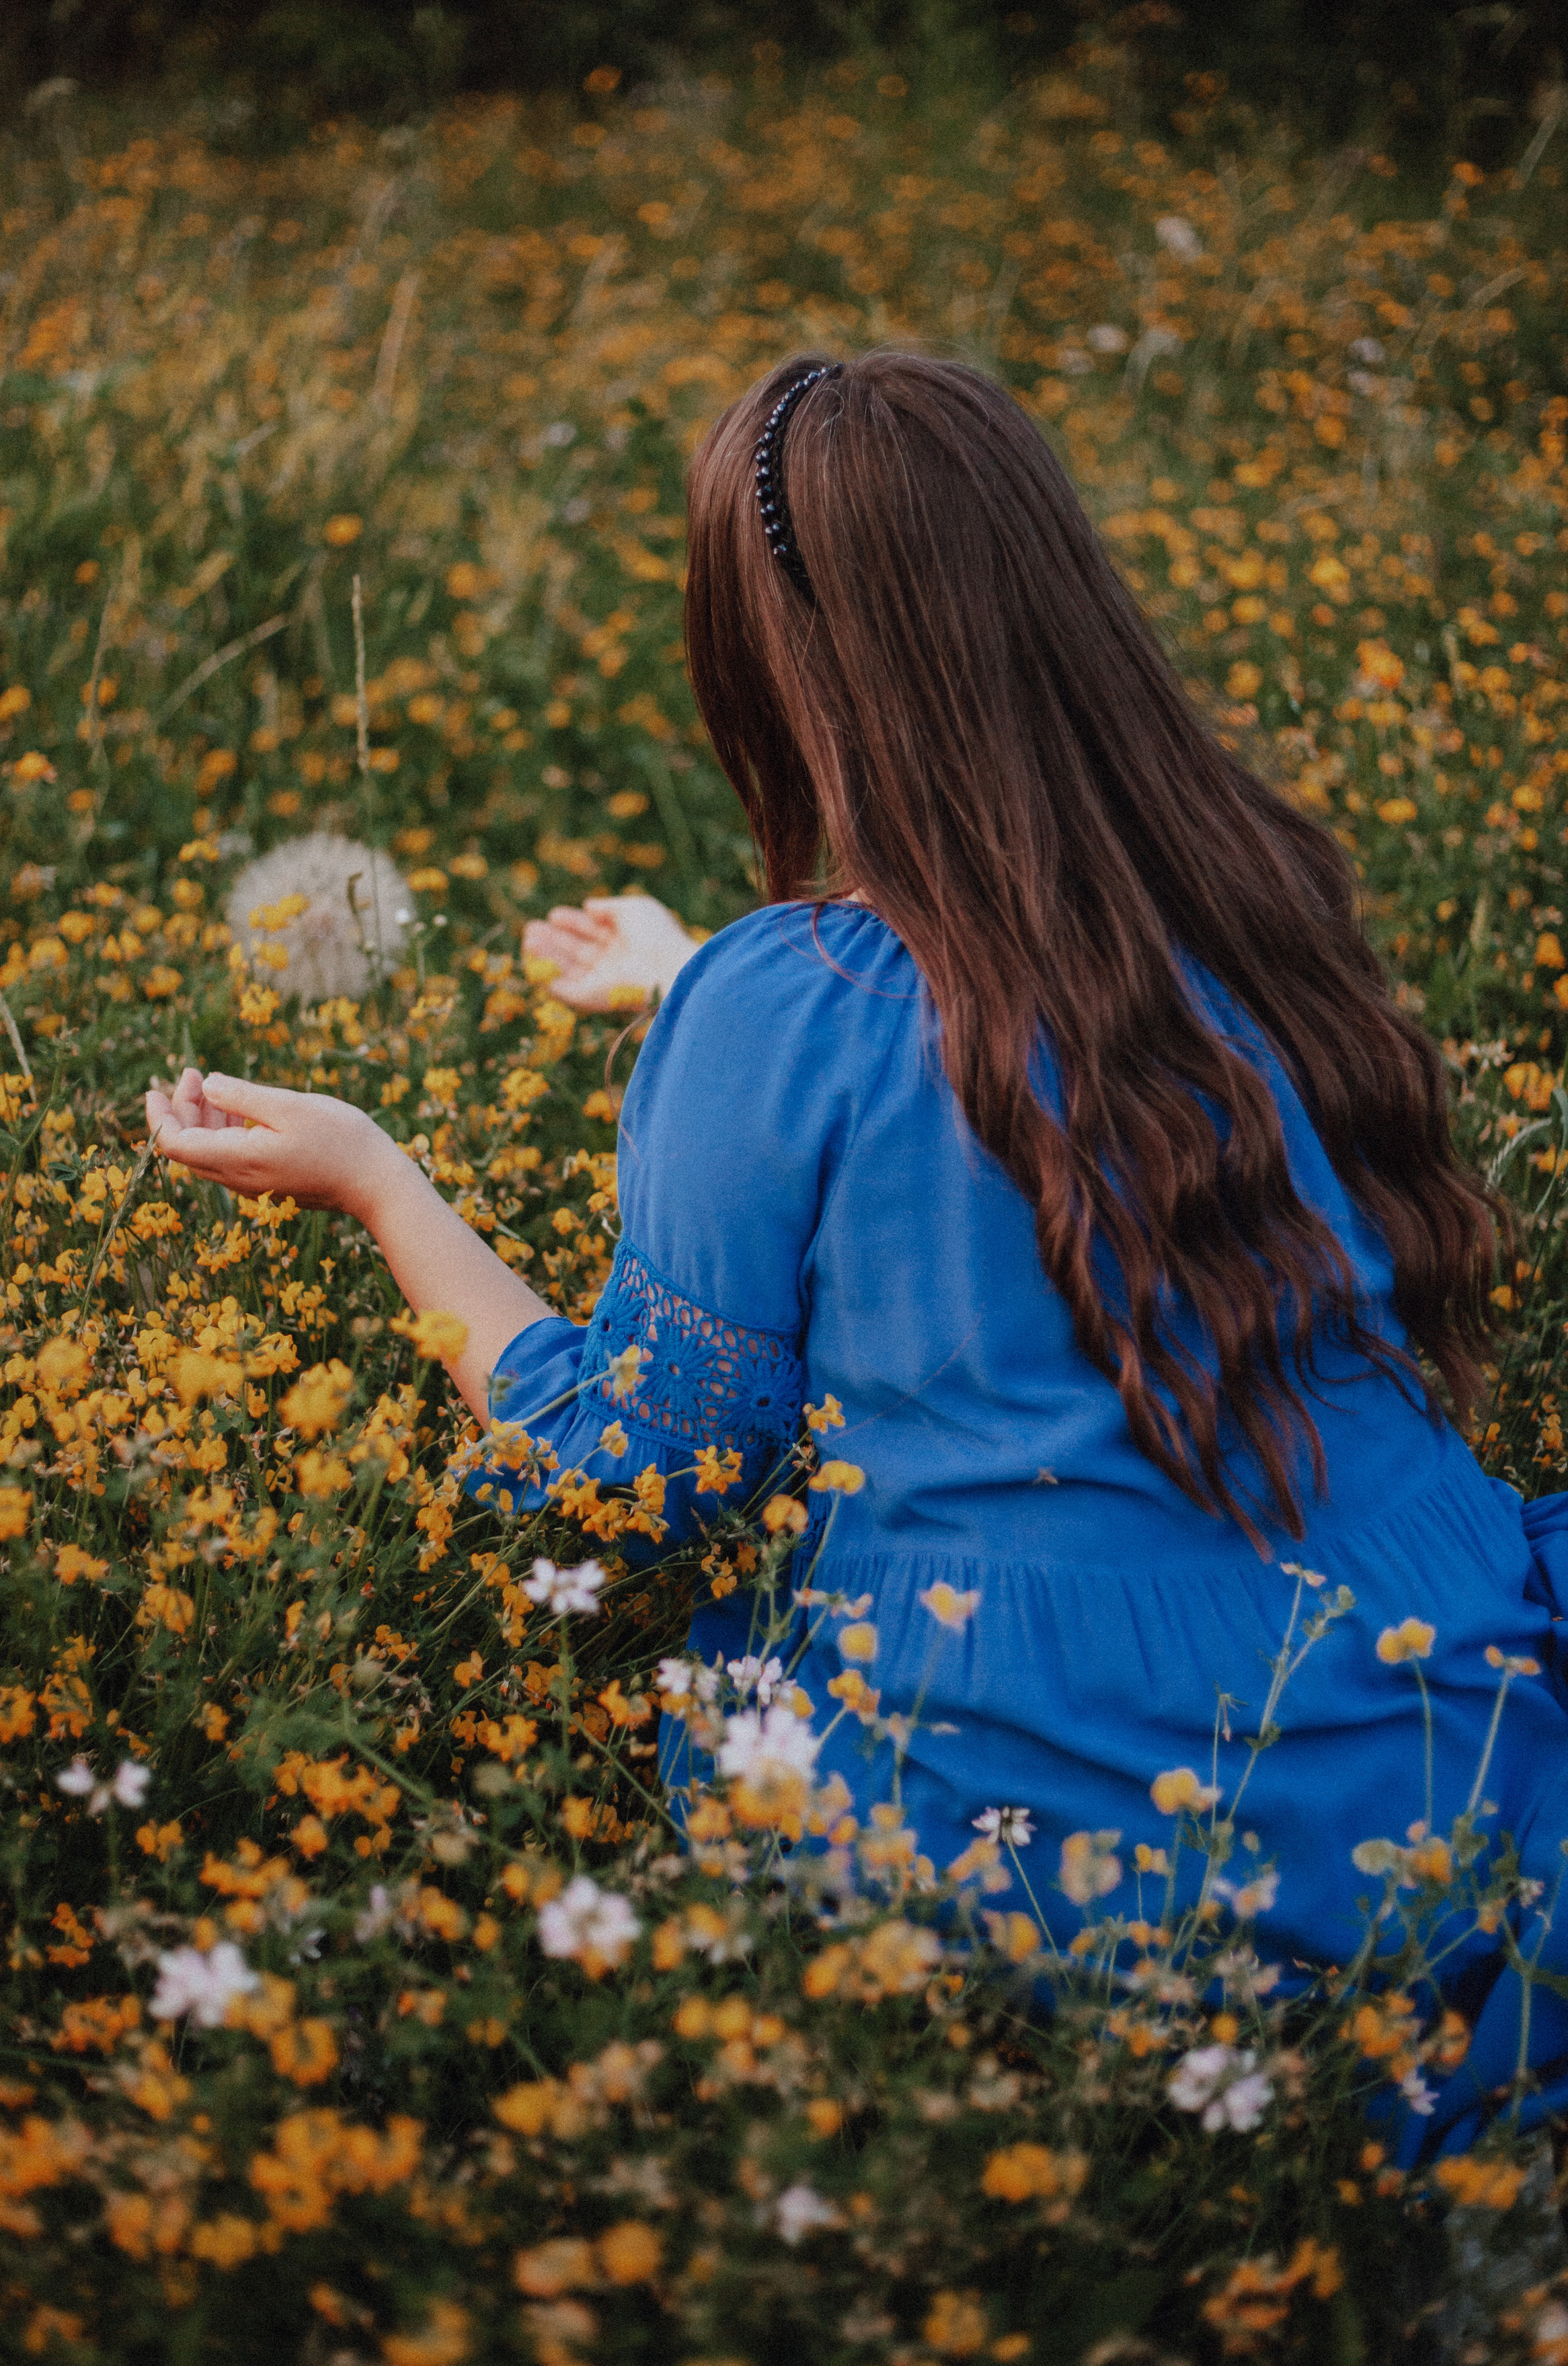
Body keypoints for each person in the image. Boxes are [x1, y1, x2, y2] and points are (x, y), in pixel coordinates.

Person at [149, 350, 1568, 2156]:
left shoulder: (789, 1005)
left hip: (1063, 1792)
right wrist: (689, 983)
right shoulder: (1250, 904)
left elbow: (638, 1480)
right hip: (1439, 1725)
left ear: (772, 660)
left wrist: (381, 1182)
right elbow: (1011, 1071)